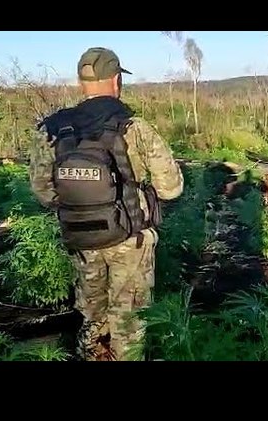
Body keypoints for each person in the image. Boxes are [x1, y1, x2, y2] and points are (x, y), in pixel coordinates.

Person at [29, 47, 184, 360]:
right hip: (130, 239)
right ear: (116, 80)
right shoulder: (134, 127)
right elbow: (172, 188)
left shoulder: (52, 130)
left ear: (81, 81)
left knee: (91, 317)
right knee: (128, 324)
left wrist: (81, 204)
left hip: (81, 239)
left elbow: (43, 192)